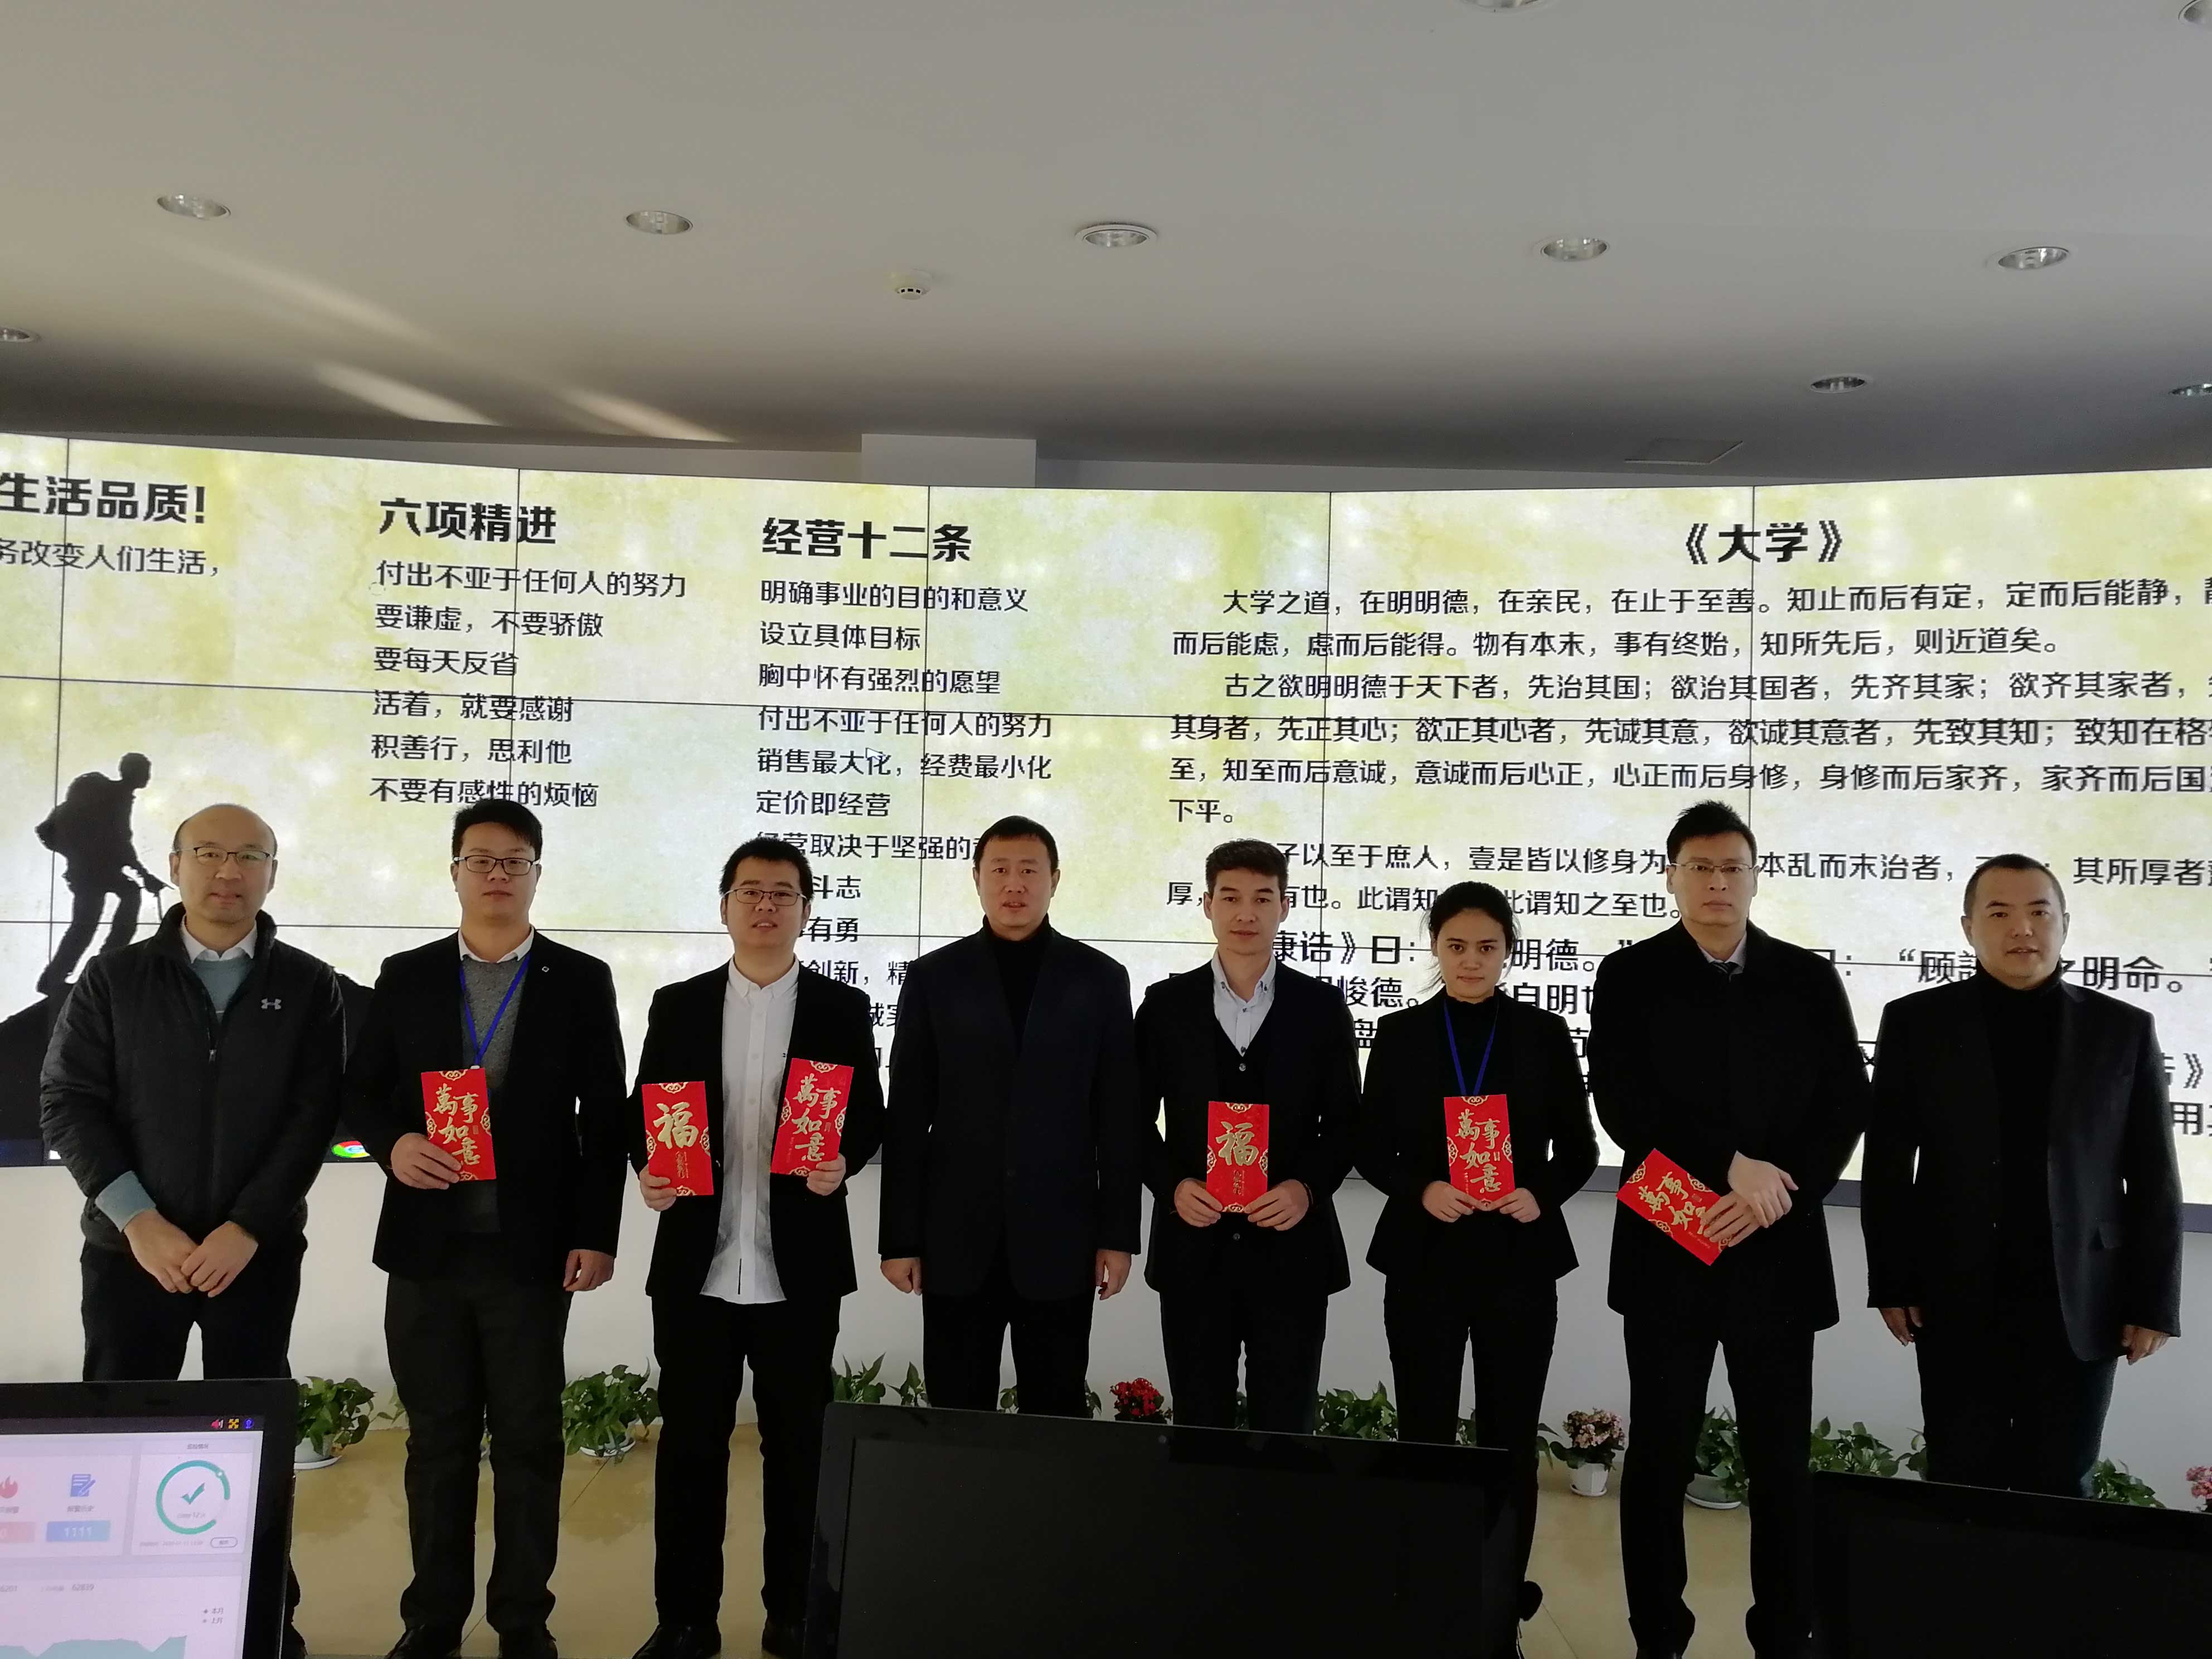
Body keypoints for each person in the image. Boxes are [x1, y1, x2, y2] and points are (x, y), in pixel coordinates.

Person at [40, 802, 343, 1659]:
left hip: (255, 1256)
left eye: (250, 855)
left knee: (253, 1437)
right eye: (208, 852)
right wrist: (139, 1221)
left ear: (272, 873)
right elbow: (68, 1102)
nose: (228, 871)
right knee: (119, 1437)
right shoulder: (116, 978)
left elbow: (312, 1118)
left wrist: (248, 1227)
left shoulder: (310, 984)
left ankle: (262, 1620)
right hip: (131, 1254)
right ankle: (109, 1619)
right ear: (174, 866)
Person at [345, 799, 628, 1659]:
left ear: (537, 874)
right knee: (437, 1443)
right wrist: (393, 1144)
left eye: (515, 861)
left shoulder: (579, 979)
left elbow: (606, 1117)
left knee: (529, 1443)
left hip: (530, 1254)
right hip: (426, 1253)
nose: (497, 874)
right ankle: (431, 1622)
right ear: (455, 871)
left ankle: (521, 1621)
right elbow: (360, 1094)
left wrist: (598, 1232)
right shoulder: (407, 975)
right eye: (481, 859)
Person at [1589, 800, 1869, 1659]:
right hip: (1669, 1246)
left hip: (1776, 1251)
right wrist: (1728, 1165)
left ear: (1754, 878)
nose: (1717, 884)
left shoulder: (1807, 978)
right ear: (1671, 876)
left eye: (1732, 869)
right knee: (1660, 1457)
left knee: (1781, 1464)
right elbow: (1622, 1102)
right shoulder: (1629, 974)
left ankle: (1783, 1635)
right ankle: (1658, 1638)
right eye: (1700, 868)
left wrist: (1776, 1191)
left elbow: (1844, 1105)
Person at [627, 837, 885, 1659]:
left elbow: (868, 1115)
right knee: (690, 1448)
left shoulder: (842, 1007)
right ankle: (685, 1619)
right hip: (697, 1265)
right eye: (750, 891)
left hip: (797, 1265)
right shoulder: (679, 1005)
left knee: (799, 1449)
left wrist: (844, 1159)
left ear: (806, 910)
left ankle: (795, 1614)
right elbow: (645, 1109)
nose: (765, 906)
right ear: (725, 905)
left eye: (782, 893)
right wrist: (649, 1169)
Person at [1862, 853, 2182, 1498]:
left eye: (2039, 912)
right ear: (1967, 928)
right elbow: (1888, 1166)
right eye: (1999, 913)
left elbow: (2152, 1177)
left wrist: (2153, 1303)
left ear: (2064, 923)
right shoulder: (1916, 1023)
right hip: (1956, 1292)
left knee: (2062, 1485)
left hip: (2079, 1299)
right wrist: (1891, 1281)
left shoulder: (2120, 1029)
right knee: (1958, 1477)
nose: (2021, 929)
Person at [1355, 881, 1596, 1657]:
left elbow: (1581, 1149)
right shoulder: (1400, 1034)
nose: (1470, 960)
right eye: (1455, 946)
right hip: (1424, 1257)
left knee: (1508, 1442)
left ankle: (1498, 1610)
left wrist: (1539, 1192)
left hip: (1517, 1260)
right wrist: (1419, 1187)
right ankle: (1426, 1603)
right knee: (1424, 1435)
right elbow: (1370, 1146)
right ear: (1435, 947)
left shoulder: (1543, 1034)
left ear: (1507, 951)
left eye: (1486, 947)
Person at [879, 815, 1141, 1415]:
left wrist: (1117, 1236)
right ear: (977, 879)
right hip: (955, 1239)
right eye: (999, 869)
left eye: (1029, 870)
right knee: (957, 1412)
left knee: (1055, 1412)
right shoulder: (933, 977)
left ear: (1055, 880)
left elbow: (1118, 1116)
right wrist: (899, 1239)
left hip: (1061, 1238)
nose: (1014, 884)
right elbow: (907, 1116)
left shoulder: (1100, 978)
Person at [1135, 838, 1359, 1433]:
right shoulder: (1165, 1006)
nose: (1245, 913)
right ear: (1207, 904)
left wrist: (1305, 1189)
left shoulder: (1320, 1007)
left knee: (1285, 1429)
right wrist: (1171, 1186)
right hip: (1193, 1249)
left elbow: (1346, 1125)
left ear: (1284, 906)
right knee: (1199, 1424)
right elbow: (1131, 1121)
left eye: (1262, 898)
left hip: (1291, 1253)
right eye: (1230, 897)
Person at [36, 751, 168, 995]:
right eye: (145, 772)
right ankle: (103, 965)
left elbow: (120, 842)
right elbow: (119, 841)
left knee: (88, 922)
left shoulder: (115, 796)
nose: (148, 777)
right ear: (133, 772)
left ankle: (61, 976)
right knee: (93, 919)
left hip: (89, 870)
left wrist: (143, 873)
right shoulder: (115, 798)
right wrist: (144, 874)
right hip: (92, 870)